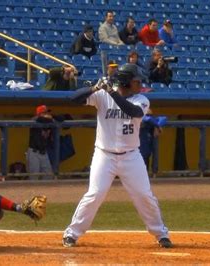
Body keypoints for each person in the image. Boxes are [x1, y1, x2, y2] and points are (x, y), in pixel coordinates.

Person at [63, 63, 172, 248]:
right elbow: (74, 99)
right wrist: (95, 88)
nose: (140, 84)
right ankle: (71, 234)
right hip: (104, 155)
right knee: (95, 194)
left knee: (144, 195)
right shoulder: (102, 95)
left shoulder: (141, 99)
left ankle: (161, 234)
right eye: (137, 81)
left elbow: (133, 111)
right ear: (126, 82)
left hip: (131, 156)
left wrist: (111, 92)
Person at [27, 105, 54, 180]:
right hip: (34, 152)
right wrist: (51, 119)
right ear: (39, 113)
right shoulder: (35, 120)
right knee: (34, 176)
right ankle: (33, 192)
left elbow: (60, 118)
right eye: (45, 113)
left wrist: (52, 118)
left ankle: (46, 191)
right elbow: (39, 119)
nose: (47, 114)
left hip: (44, 152)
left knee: (48, 175)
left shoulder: (49, 122)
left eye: (47, 112)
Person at [139, 109, 167, 176]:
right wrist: (158, 126)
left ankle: (153, 172)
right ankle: (143, 174)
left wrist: (156, 127)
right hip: (142, 142)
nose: (149, 116)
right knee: (143, 158)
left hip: (150, 141)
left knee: (153, 156)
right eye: (147, 115)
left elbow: (164, 118)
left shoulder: (153, 122)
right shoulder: (142, 120)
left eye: (150, 115)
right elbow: (147, 119)